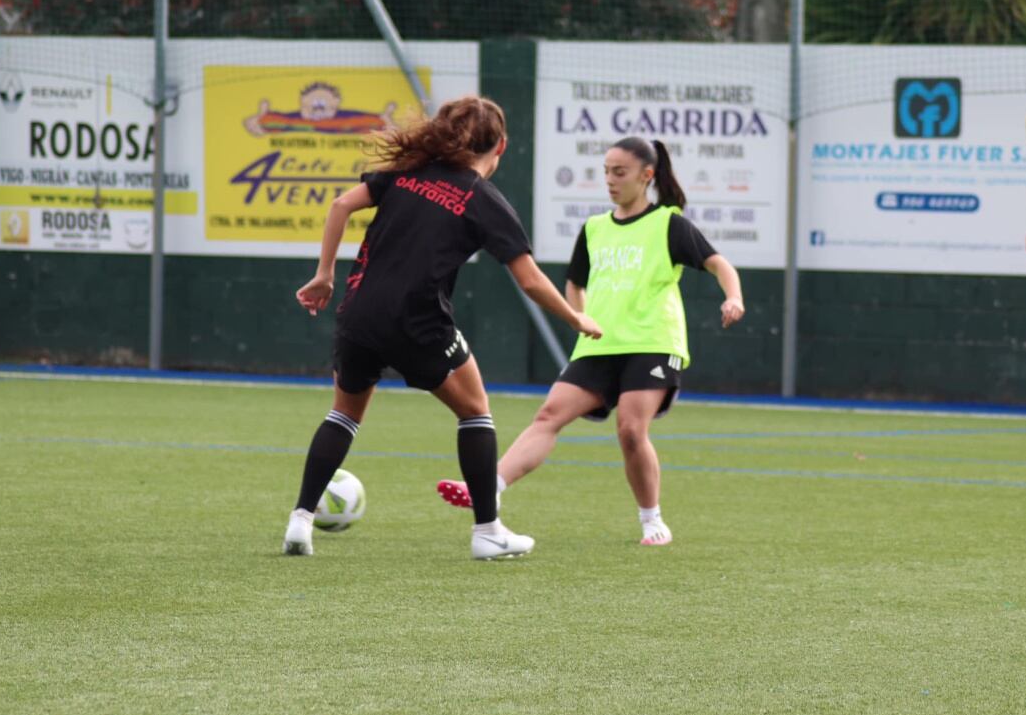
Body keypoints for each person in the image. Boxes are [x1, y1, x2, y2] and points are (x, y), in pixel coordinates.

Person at [281, 95, 602, 560]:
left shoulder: (405, 172)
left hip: (359, 311)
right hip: (418, 321)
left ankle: (300, 521)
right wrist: (575, 317)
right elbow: (530, 280)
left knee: (344, 414)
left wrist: (324, 274)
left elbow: (339, 206)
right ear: (501, 147)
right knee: (475, 411)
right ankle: (488, 531)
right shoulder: (483, 199)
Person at [437, 136, 744, 546]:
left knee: (631, 429)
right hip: (600, 344)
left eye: (620, 172)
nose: (610, 180)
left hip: (652, 341)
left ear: (646, 175)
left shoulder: (669, 224)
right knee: (549, 415)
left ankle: (652, 520)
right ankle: (491, 485)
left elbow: (718, 263)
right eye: (606, 172)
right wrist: (580, 318)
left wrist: (734, 297)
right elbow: (574, 283)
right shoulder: (595, 228)